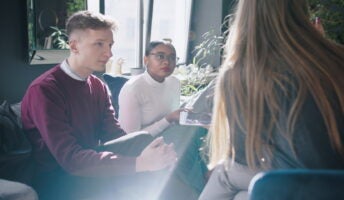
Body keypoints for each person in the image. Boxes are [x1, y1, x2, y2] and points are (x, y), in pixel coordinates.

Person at [21, 10, 177, 200]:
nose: (109, 53)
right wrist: (140, 163)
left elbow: (116, 137)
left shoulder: (98, 86)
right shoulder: (45, 90)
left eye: (110, 45)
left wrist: (151, 152)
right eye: (99, 44)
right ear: (74, 46)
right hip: (59, 181)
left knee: (151, 149)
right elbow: (71, 160)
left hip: (92, 171)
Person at [199, 0, 344, 199]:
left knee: (225, 174)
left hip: (298, 182)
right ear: (300, 10)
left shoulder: (241, 75)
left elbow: (244, 156)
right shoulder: (336, 58)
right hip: (335, 182)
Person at [118, 40, 208, 198]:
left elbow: (174, 118)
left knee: (202, 128)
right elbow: (129, 139)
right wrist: (169, 118)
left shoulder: (174, 82)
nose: (167, 62)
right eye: (160, 56)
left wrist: (193, 118)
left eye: (172, 58)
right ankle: (201, 190)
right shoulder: (133, 88)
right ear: (146, 60)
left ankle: (208, 183)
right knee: (191, 138)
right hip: (142, 145)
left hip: (170, 135)